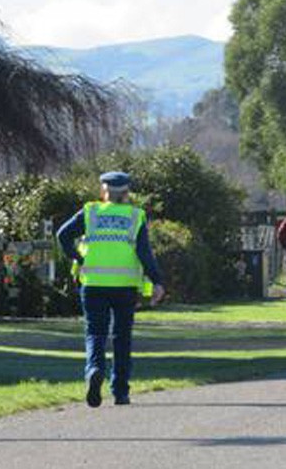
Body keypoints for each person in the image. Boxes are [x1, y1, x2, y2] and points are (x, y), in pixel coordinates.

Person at [56, 171, 165, 407]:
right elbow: (145, 253)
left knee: (95, 332)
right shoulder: (135, 216)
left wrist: (77, 257)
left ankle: (94, 369)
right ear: (126, 194)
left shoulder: (90, 212)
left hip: (93, 284)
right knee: (121, 337)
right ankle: (120, 391)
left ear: (104, 192)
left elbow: (62, 235)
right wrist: (157, 281)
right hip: (125, 287)